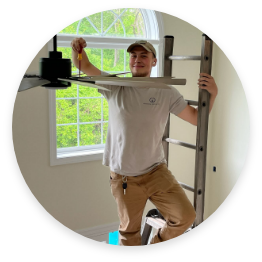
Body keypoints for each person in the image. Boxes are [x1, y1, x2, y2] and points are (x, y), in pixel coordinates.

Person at [71, 38, 218, 246]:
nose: (137, 60)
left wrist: (213, 94)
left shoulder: (166, 92)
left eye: (143, 55)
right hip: (124, 178)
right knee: (129, 234)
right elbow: (83, 65)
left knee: (185, 217)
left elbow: (196, 118)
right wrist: (77, 49)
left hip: (156, 171)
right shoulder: (115, 86)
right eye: (133, 56)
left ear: (154, 61)